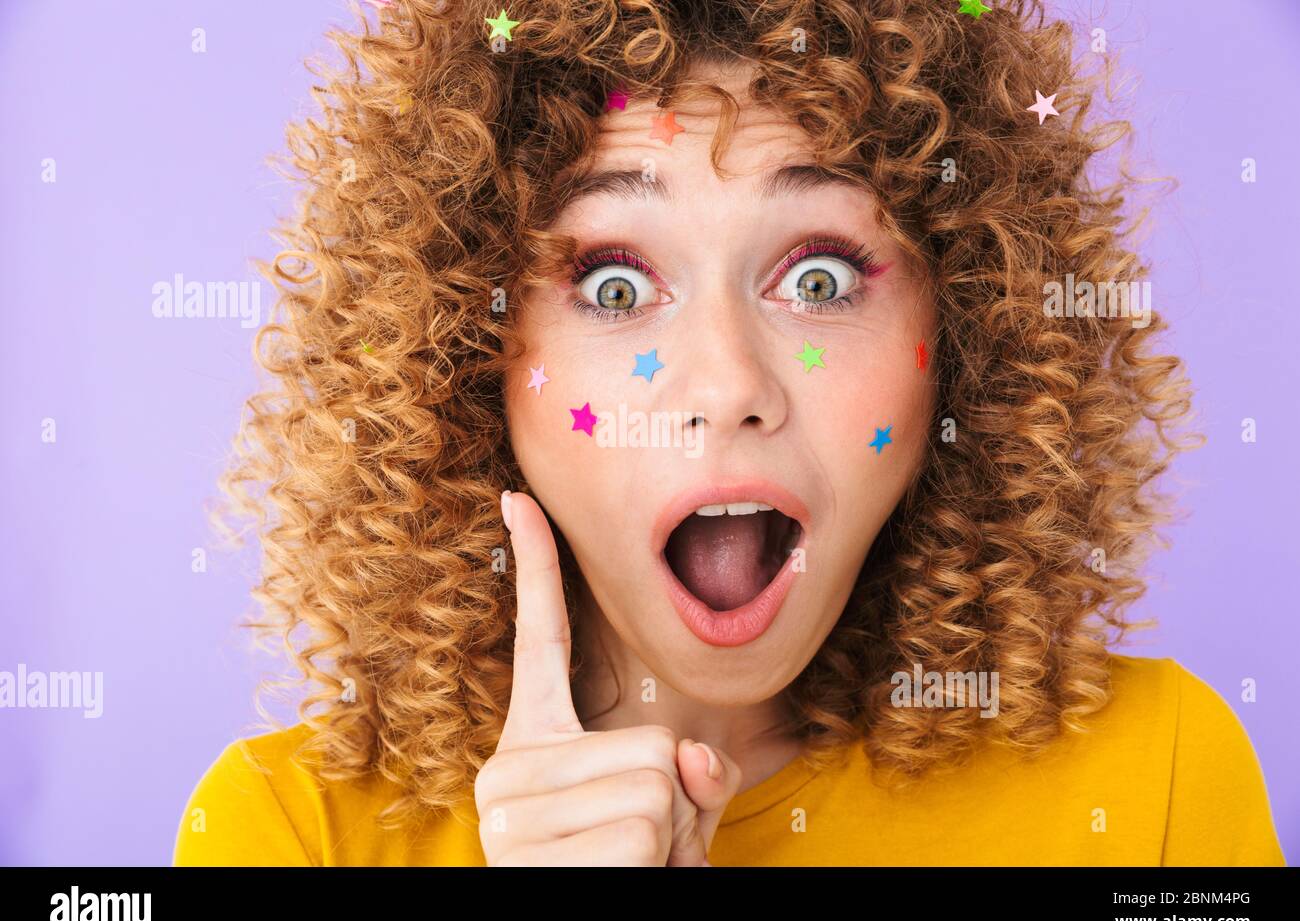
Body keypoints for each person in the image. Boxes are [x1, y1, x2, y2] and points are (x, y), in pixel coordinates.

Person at [173, 0, 1285, 866]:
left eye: (816, 275)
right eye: (613, 286)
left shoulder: (1153, 781)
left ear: (967, 331)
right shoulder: (291, 830)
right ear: (468, 350)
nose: (726, 382)